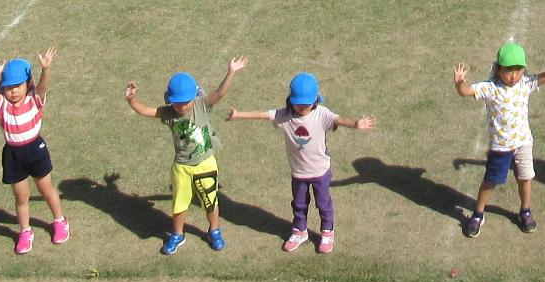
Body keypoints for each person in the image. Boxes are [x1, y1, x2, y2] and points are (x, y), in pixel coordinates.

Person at [228, 71, 375, 254]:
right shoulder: (285, 115)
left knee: (323, 203)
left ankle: (327, 232)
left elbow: (337, 119)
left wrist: (355, 124)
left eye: (306, 104)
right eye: (298, 104)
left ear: (315, 100)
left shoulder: (321, 114)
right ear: (291, 100)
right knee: (299, 203)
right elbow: (263, 114)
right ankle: (300, 231)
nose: (302, 108)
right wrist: (238, 114)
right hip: (298, 173)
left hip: (320, 171)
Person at [124, 58, 246, 254]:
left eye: (185, 102)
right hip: (181, 167)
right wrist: (131, 99)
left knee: (210, 201)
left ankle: (214, 231)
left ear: (194, 96)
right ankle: (178, 234)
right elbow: (144, 110)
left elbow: (220, 93)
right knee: (180, 203)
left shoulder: (201, 105)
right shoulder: (168, 113)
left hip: (205, 163)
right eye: (177, 103)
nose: (181, 107)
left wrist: (231, 71)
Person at [453, 41, 545, 237]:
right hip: (500, 147)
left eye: (518, 70)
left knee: (525, 178)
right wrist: (459, 83)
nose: (514, 76)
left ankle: (525, 211)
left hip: (523, 143)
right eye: (508, 70)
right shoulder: (490, 88)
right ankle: (478, 214)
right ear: (498, 69)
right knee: (490, 181)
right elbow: (466, 91)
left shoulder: (525, 84)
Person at [0, 49, 68, 254]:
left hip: (35, 150)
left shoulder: (34, 100)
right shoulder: (2, 106)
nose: (13, 91)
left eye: (18, 86)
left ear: (27, 84)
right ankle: (25, 231)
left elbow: (43, 86)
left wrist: (46, 69)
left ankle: (59, 221)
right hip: (13, 155)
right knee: (21, 197)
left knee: (46, 189)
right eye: (8, 87)